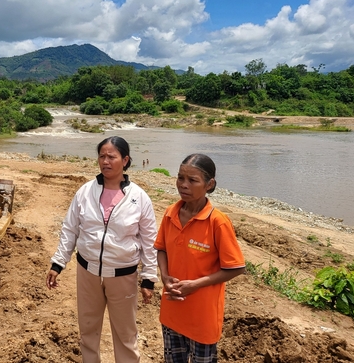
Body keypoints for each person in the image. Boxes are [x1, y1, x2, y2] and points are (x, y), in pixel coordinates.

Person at [46, 136, 158, 363]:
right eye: (102, 156)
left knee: (126, 335)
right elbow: (70, 229)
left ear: (125, 160)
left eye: (112, 156)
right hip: (88, 272)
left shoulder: (139, 197)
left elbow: (149, 241)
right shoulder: (85, 191)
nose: (105, 161)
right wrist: (58, 263)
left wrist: (149, 278)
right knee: (88, 330)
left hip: (123, 275)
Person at [154, 154, 245, 363]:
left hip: (202, 317)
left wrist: (196, 285)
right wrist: (165, 276)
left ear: (209, 184)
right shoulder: (171, 213)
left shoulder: (217, 222)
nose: (183, 185)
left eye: (192, 180)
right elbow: (162, 249)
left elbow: (236, 267)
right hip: (172, 310)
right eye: (180, 178)